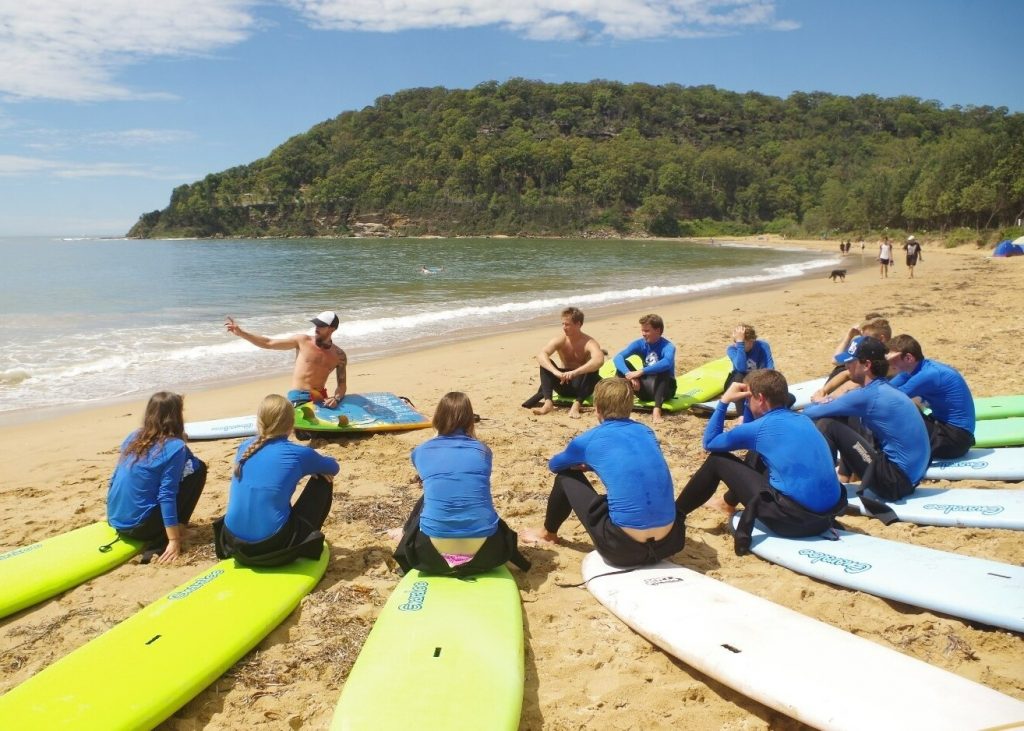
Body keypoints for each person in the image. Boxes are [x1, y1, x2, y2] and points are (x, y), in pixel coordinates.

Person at [675, 370, 845, 555]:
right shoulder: (803, 419)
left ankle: (676, 516)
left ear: (761, 398)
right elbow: (751, 432)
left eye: (748, 400)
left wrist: (724, 402)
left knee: (717, 461)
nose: (747, 403)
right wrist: (749, 403)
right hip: (825, 518)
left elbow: (709, 443)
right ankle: (727, 503)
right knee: (757, 453)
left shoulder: (761, 428)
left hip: (793, 524)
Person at [522, 378, 685, 567]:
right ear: (630, 407)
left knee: (566, 477)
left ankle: (547, 534)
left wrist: (586, 461)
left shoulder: (588, 440)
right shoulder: (646, 431)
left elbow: (555, 465)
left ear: (596, 408)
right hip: (670, 542)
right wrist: (595, 464)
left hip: (623, 550)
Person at [393, 392, 530, 577]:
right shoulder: (483, 451)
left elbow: (434, 472)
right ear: (470, 420)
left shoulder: (421, 451)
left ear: (437, 418)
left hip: (431, 556)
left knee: (428, 496)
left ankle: (403, 535)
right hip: (488, 554)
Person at [803, 337, 930, 509]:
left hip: (894, 483)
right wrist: (831, 400)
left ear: (867, 365)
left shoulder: (867, 395)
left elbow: (810, 412)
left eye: (851, 362)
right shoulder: (884, 387)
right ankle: (839, 476)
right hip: (910, 478)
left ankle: (824, 489)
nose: (847, 367)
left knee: (827, 424)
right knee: (846, 419)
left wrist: (820, 400)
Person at [214, 394, 338, 566]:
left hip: (232, 543)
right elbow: (334, 467)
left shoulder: (245, 447)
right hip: (271, 549)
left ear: (259, 421)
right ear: (291, 423)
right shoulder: (298, 454)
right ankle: (305, 543)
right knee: (324, 480)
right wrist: (317, 467)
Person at [107, 392, 207, 564]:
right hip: (141, 528)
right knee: (199, 469)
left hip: (116, 519)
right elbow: (166, 494)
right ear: (177, 416)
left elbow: (114, 477)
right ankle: (179, 530)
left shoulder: (133, 437)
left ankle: (171, 526)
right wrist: (173, 541)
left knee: (192, 467)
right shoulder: (175, 447)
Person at [226, 311, 347, 407]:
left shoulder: (339, 356)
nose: (316, 327)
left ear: (332, 329)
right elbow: (269, 343)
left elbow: (342, 385)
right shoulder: (303, 341)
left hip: (321, 398)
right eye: (316, 324)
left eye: (321, 325)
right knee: (305, 433)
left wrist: (335, 399)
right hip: (299, 397)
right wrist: (242, 333)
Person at [886, 334, 975, 459]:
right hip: (945, 429)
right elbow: (885, 388)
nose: (890, 364)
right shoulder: (912, 370)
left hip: (956, 440)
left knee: (899, 411)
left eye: (892, 360)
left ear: (908, 358)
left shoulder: (929, 374)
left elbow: (890, 398)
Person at [528, 307, 605, 419]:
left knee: (593, 369)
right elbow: (541, 355)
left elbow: (599, 360)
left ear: (578, 324)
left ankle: (577, 404)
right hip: (562, 383)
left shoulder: (589, 342)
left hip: (581, 386)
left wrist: (575, 372)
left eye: (567, 324)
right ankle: (548, 403)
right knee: (545, 363)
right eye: (563, 324)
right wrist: (556, 372)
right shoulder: (561, 340)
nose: (564, 328)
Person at [613, 314, 677, 423]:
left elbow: (667, 362)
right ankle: (620, 405)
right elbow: (618, 357)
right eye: (642, 330)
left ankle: (657, 410)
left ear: (658, 330)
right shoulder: (639, 344)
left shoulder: (668, 346)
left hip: (665, 389)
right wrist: (629, 375)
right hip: (644, 389)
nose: (643, 334)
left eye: (647, 331)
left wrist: (641, 372)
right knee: (622, 368)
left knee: (663, 370)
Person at [724, 324, 774, 389]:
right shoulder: (732, 349)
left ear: (751, 341)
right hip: (741, 378)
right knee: (738, 377)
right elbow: (741, 368)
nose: (736, 344)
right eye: (735, 341)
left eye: (742, 342)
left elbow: (769, 368)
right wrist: (740, 344)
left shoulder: (763, 346)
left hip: (758, 377)